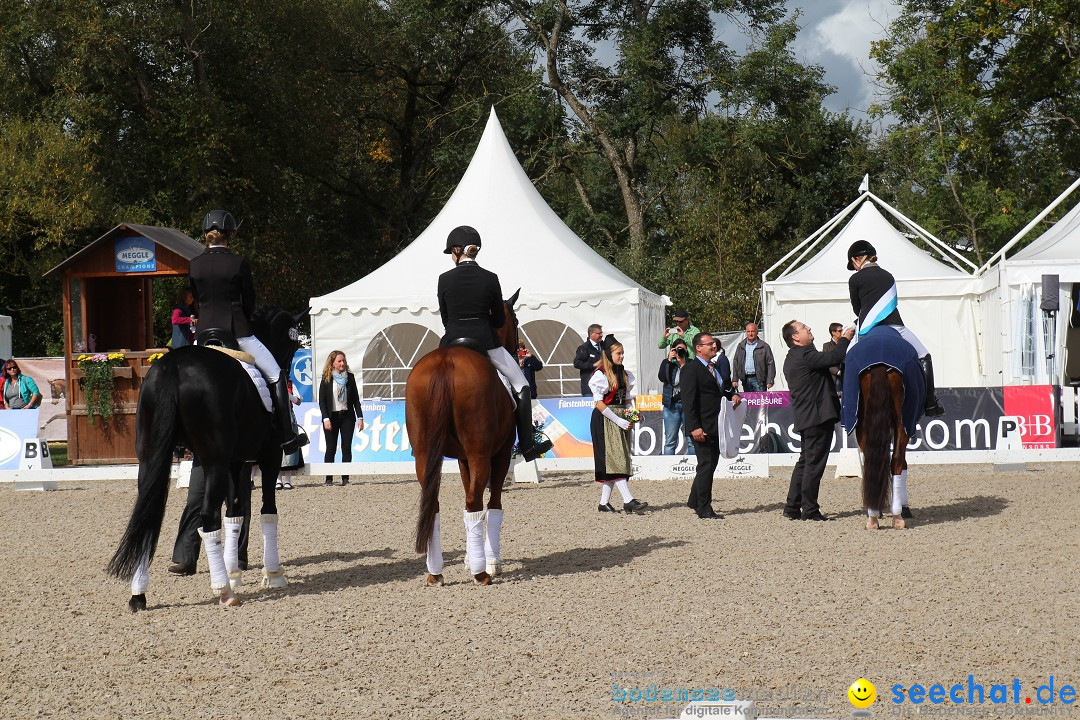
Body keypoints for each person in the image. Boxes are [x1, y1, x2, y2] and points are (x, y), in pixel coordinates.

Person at [188, 209, 307, 453]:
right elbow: (249, 301)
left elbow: (198, 301)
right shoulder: (238, 262)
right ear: (229, 234)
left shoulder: (194, 264)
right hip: (237, 332)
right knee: (275, 375)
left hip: (203, 335)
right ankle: (287, 436)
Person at [437, 225, 552, 461]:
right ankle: (528, 445)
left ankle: (418, 443)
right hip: (485, 344)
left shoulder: (444, 279)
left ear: (458, 250)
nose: (451, 255)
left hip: (451, 343)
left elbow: (446, 319)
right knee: (521, 385)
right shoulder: (491, 278)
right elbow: (500, 320)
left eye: (452, 251)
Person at [847, 240, 945, 416]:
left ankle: (847, 404)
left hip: (867, 329)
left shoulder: (855, 279)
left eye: (853, 264)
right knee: (924, 356)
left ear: (857, 259)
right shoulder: (888, 276)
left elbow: (857, 309)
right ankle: (930, 402)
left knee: (848, 359)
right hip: (895, 326)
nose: (854, 268)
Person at [781, 320, 854, 521]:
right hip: (817, 416)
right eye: (804, 328)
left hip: (807, 416)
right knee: (814, 464)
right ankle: (810, 510)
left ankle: (792, 507)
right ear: (795, 337)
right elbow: (835, 357)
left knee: (805, 462)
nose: (809, 329)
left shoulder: (792, 356)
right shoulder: (805, 354)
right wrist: (845, 339)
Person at [681, 333, 741, 519]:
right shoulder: (691, 369)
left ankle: (694, 499)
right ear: (699, 347)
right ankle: (704, 507)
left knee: (710, 464)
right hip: (701, 425)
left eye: (714, 344)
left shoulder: (712, 368)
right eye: (710, 344)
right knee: (706, 464)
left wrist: (732, 395)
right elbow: (688, 401)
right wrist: (694, 427)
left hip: (716, 424)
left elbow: (720, 390)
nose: (714, 346)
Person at [589, 335, 648, 514]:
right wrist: (619, 420)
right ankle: (628, 500)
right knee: (616, 460)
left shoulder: (624, 374)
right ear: (609, 354)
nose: (622, 356)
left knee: (618, 459)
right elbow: (599, 404)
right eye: (618, 353)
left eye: (622, 353)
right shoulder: (600, 375)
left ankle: (603, 503)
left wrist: (632, 414)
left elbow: (628, 399)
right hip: (606, 419)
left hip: (621, 417)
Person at [318, 350, 364, 486]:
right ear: (332, 363)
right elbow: (322, 401)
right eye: (339, 361)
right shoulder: (326, 378)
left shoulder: (350, 377)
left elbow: (355, 399)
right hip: (332, 417)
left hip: (347, 417)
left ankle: (345, 478)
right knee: (331, 448)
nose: (342, 363)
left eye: (343, 360)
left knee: (346, 447)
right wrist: (325, 418)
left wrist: (360, 417)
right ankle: (329, 478)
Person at [657, 337, 694, 455]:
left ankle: (696, 470)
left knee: (691, 440)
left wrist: (683, 364)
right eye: (677, 350)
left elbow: (692, 381)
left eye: (682, 349)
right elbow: (662, 377)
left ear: (687, 350)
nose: (679, 352)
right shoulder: (668, 363)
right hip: (671, 405)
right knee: (670, 441)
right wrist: (668, 360)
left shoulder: (691, 363)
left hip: (688, 406)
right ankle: (668, 471)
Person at [732, 323, 775, 392]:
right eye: (748, 331)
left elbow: (770, 363)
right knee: (748, 402)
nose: (750, 334)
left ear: (757, 332)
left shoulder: (764, 346)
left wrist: (770, 380)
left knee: (760, 402)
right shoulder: (741, 346)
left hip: (759, 380)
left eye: (752, 331)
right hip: (745, 380)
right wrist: (735, 379)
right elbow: (736, 362)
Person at [277, 379, 303, 490]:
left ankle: (288, 480)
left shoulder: (291, 384)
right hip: (276, 415)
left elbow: (298, 401)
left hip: (289, 415)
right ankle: (278, 480)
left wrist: (287, 394)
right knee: (277, 447)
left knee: (290, 447)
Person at [573, 324, 604, 396]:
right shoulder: (584, 348)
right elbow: (577, 363)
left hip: (603, 387)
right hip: (589, 388)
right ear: (591, 334)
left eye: (601, 333)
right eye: (599, 333)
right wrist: (593, 365)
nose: (601, 335)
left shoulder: (604, 346)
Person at [821, 322, 844, 394]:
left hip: (845, 377)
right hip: (834, 378)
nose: (842, 333)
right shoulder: (827, 346)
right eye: (840, 331)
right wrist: (838, 372)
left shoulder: (845, 344)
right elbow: (826, 362)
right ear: (833, 332)